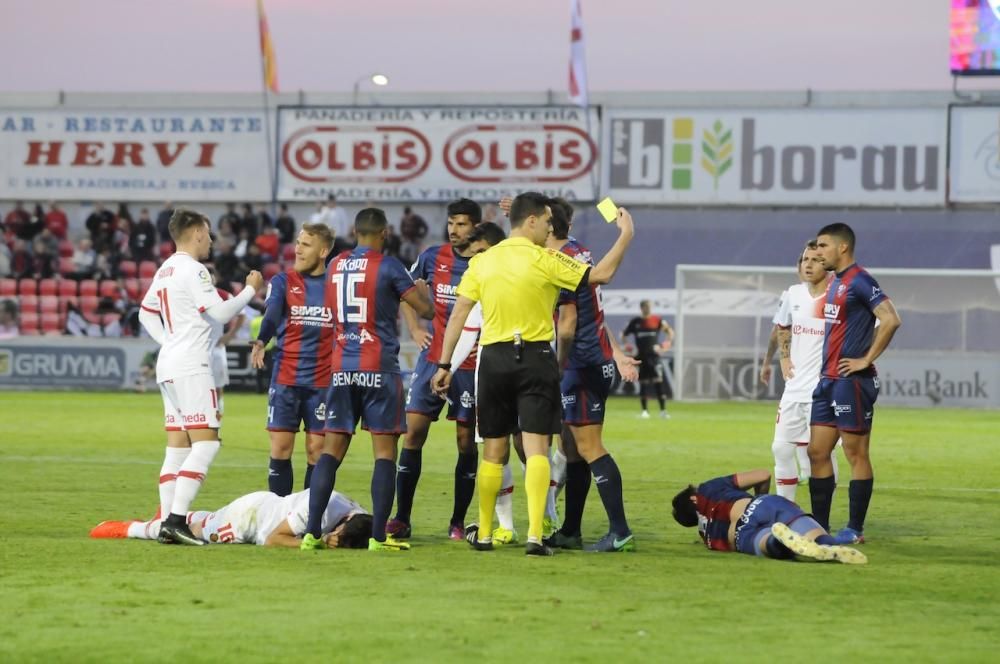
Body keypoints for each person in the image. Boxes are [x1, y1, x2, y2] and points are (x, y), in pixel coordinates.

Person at [431, 192, 634, 556]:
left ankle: (485, 533)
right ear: (532, 221)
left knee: (493, 450)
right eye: (545, 221)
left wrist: (445, 364)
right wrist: (625, 235)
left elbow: (459, 313)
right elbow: (601, 274)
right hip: (537, 356)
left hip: (492, 358)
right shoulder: (546, 260)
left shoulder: (483, 261)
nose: (548, 227)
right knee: (537, 448)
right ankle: (536, 536)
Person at [300, 208, 434, 553]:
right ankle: (377, 537)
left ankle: (312, 533)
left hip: (341, 365)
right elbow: (427, 310)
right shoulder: (389, 266)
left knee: (331, 451)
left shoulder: (335, 265)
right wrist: (419, 288)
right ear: (385, 232)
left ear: (355, 231)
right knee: (385, 453)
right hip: (378, 367)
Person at [138, 208, 264, 546]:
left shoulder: (165, 269)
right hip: (192, 365)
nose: (210, 240)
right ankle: (176, 520)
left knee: (177, 448)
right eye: (207, 234)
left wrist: (168, 341)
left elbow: (145, 312)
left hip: (169, 364)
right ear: (195, 234)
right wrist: (250, 290)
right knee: (206, 442)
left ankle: (166, 521)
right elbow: (221, 312)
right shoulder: (194, 271)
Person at [546, 198, 642, 552]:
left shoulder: (561, 259)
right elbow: (594, 311)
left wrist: (626, 234)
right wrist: (616, 353)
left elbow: (570, 323)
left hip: (579, 363)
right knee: (571, 449)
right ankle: (571, 530)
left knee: (589, 447)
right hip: (591, 358)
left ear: (544, 225)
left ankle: (620, 530)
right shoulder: (578, 250)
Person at [387, 198, 485, 542]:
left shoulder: (489, 261)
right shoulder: (432, 257)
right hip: (433, 361)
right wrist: (414, 329)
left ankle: (457, 521)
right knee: (412, 433)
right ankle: (401, 518)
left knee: (465, 442)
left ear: (475, 226)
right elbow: (405, 291)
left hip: (472, 364)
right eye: (451, 224)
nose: (454, 230)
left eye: (461, 224)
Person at [808, 223, 901, 545]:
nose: (817, 252)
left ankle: (854, 529)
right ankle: (818, 528)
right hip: (827, 381)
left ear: (842, 247)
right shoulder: (835, 282)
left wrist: (865, 359)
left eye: (822, 246)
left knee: (854, 452)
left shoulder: (860, 280)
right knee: (817, 451)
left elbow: (890, 318)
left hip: (852, 382)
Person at [251, 223, 335, 496]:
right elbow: (272, 314)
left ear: (323, 251)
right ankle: (278, 514)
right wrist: (263, 340)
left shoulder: (335, 285)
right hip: (286, 378)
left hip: (323, 381)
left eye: (306, 245)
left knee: (317, 451)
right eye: (297, 243)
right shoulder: (283, 282)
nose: (297, 249)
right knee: (281, 448)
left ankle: (309, 517)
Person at [760, 240, 838, 502]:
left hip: (824, 389)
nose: (808, 264)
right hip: (794, 387)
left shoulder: (840, 294)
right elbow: (782, 326)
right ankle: (786, 511)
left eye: (815, 260)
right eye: (805, 259)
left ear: (827, 264)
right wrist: (782, 357)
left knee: (821, 453)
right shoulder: (793, 294)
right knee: (781, 449)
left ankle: (823, 512)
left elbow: (871, 325)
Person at [670, 470, 866, 564]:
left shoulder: (707, 536)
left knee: (764, 543)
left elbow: (727, 548)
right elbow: (763, 475)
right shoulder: (708, 489)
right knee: (815, 534)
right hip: (762, 505)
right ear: (693, 498)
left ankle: (778, 542)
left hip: (741, 533)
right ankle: (827, 544)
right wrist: (758, 500)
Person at [90, 487, 373, 550]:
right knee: (189, 533)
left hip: (263, 505)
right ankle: (130, 529)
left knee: (207, 518)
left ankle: (173, 513)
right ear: (342, 525)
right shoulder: (320, 511)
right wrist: (320, 543)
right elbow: (275, 539)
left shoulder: (358, 514)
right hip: (248, 521)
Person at [622, 300, 674, 419]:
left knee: (658, 382)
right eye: (646, 307)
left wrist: (665, 345)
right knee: (643, 383)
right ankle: (645, 411)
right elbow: (624, 335)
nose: (648, 309)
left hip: (654, 356)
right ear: (641, 308)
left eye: (649, 307)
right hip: (641, 356)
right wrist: (627, 346)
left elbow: (670, 332)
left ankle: (663, 411)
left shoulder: (657, 320)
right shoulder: (635, 322)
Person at [207, 266, 245, 421]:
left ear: (215, 278)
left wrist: (229, 335)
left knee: (217, 389)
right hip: (198, 349)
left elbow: (242, 315)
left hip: (216, 349)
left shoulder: (223, 295)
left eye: (211, 275)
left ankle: (216, 428)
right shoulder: (191, 297)